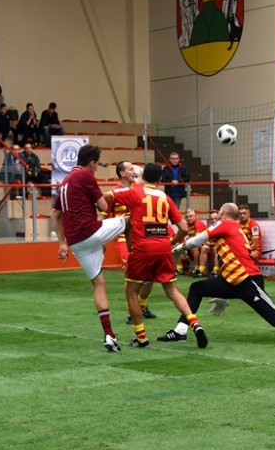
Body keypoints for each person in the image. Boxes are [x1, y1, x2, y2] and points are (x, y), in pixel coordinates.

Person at [159, 202, 275, 343]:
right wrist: (223, 294)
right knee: (197, 288)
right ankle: (181, 330)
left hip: (248, 280)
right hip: (234, 280)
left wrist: (178, 248)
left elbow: (196, 240)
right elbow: (231, 259)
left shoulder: (225, 224)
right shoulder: (232, 228)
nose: (215, 217)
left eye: (218, 214)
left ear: (223, 213)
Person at [108, 162, 206, 348]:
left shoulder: (135, 191)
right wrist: (172, 241)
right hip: (163, 247)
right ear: (160, 179)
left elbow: (107, 198)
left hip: (142, 248)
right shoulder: (165, 197)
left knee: (131, 291)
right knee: (173, 290)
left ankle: (141, 338)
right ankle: (195, 323)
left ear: (143, 176)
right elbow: (184, 228)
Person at [49, 143, 127, 352]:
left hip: (76, 242)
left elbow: (54, 214)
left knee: (99, 283)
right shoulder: (85, 176)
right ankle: (140, 259)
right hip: (89, 231)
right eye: (97, 165)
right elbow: (104, 206)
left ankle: (109, 335)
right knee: (130, 220)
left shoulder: (65, 181)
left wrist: (62, 243)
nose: (97, 168)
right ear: (92, 163)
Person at [107, 161, 157, 321]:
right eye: (130, 169)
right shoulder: (114, 193)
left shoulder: (139, 189)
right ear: (122, 174)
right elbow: (103, 215)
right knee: (131, 272)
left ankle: (142, 306)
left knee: (151, 272)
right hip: (122, 236)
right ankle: (131, 312)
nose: (134, 171)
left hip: (141, 236)